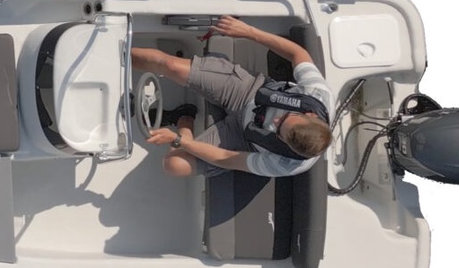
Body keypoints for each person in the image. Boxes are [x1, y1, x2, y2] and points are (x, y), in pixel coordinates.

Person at [132, 15, 333, 178]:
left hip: (243, 137)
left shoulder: (286, 164)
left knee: (174, 165)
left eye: (279, 132)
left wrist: (180, 140)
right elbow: (298, 54)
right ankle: (117, 57)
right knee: (169, 65)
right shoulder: (317, 94)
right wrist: (249, 32)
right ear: (310, 114)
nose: (276, 121)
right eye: (286, 117)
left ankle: (184, 120)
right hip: (249, 91)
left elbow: (227, 158)